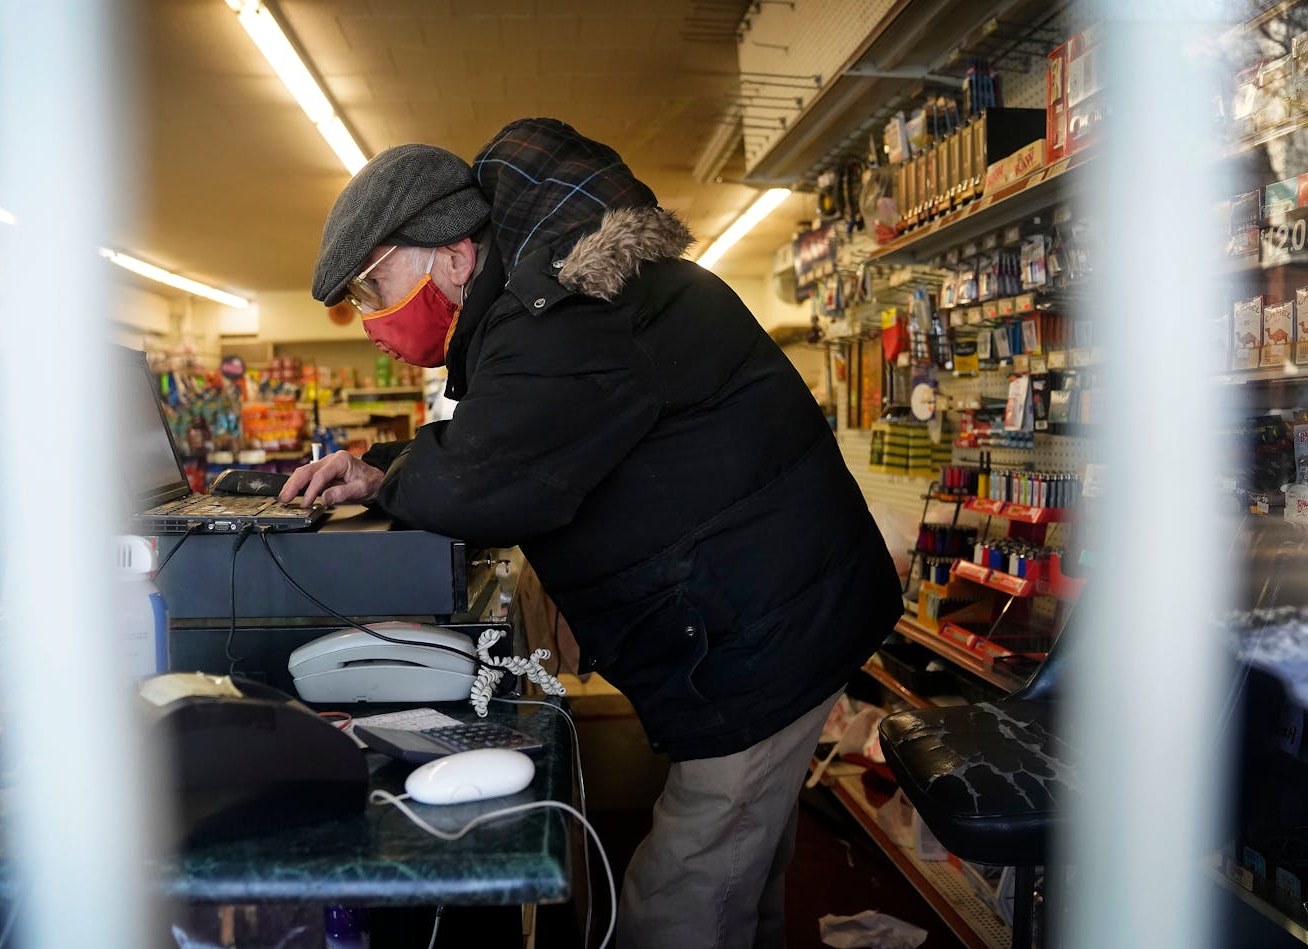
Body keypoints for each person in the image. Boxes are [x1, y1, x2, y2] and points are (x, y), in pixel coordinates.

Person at [284, 117, 902, 949]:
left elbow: (483, 479)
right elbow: (510, 437)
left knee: (680, 897)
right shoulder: (546, 294)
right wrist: (384, 468)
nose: (370, 317)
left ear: (455, 257)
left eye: (372, 287)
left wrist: (394, 476)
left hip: (764, 635)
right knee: (740, 873)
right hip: (769, 611)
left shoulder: (561, 312)